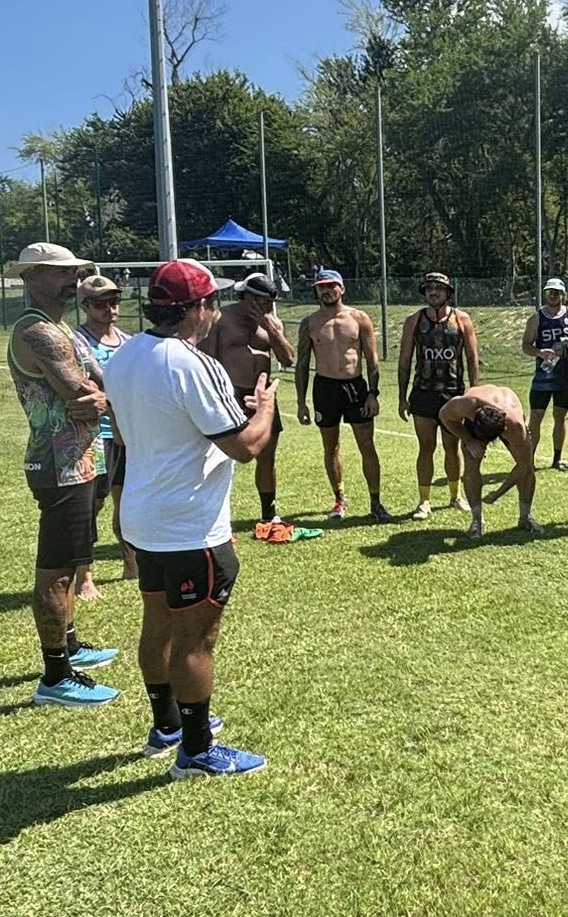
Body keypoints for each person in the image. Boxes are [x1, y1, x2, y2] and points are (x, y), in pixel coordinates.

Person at [105, 259, 278, 778]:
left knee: (158, 623)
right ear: (198, 308)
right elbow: (246, 446)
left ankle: (167, 725)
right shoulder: (190, 363)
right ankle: (197, 751)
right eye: (213, 301)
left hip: (143, 517)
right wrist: (265, 406)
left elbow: (141, 424)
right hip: (190, 527)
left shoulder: (125, 353)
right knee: (196, 639)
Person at [3, 243, 122, 709]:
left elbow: (100, 388)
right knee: (55, 571)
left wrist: (94, 396)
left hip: (81, 459)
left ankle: (71, 645)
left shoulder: (62, 330)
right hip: (59, 464)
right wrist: (91, 395)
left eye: (74, 272)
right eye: (59, 273)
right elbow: (79, 390)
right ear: (30, 276)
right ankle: (55, 676)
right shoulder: (38, 332)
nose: (70, 280)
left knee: (74, 563)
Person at [294, 267, 389, 521]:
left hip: (355, 388)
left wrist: (373, 393)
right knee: (331, 447)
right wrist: (301, 402)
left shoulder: (359, 318)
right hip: (325, 389)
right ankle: (339, 500)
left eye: (330, 286)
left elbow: (372, 360)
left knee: (367, 445)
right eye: (321, 287)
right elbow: (302, 363)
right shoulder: (309, 323)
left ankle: (375, 502)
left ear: (341, 288)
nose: (326, 290)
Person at [203, 270, 296, 525]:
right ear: (244, 296)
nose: (264, 306)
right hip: (230, 394)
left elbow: (288, 359)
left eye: (268, 302)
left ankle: (269, 513)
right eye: (258, 300)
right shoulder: (221, 319)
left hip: (262, 397)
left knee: (267, 456)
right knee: (220, 459)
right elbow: (206, 359)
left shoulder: (271, 323)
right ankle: (216, 517)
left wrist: (273, 331)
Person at [71, 274, 137, 599]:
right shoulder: (76, 341)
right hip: (96, 436)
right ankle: (84, 577)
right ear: (85, 307)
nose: (110, 308)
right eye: (101, 303)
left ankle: (132, 565)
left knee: (128, 504)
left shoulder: (127, 340)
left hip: (129, 434)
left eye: (114, 301)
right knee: (91, 506)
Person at [397, 271, 480, 520]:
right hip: (423, 392)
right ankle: (424, 501)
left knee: (452, 446)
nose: (434, 292)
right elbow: (404, 360)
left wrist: (475, 394)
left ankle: (455, 496)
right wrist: (402, 396)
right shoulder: (414, 320)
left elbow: (472, 358)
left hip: (453, 393)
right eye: (429, 288)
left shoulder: (462, 319)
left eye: (439, 288)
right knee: (426, 447)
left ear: (448, 292)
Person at [438, 384, 542, 538]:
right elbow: (443, 415)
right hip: (477, 421)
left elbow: (524, 466)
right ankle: (477, 521)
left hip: (507, 411)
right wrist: (469, 440)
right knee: (471, 462)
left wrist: (498, 493)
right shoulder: (467, 405)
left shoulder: (515, 426)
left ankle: (525, 517)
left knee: (527, 466)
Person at [522, 277, 568, 472]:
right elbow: (526, 346)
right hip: (542, 379)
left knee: (560, 418)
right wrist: (540, 352)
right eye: (549, 292)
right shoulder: (536, 318)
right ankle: (528, 460)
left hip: (565, 378)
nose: (552, 295)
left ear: (563, 294)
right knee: (535, 418)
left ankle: (556, 458)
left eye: (556, 292)